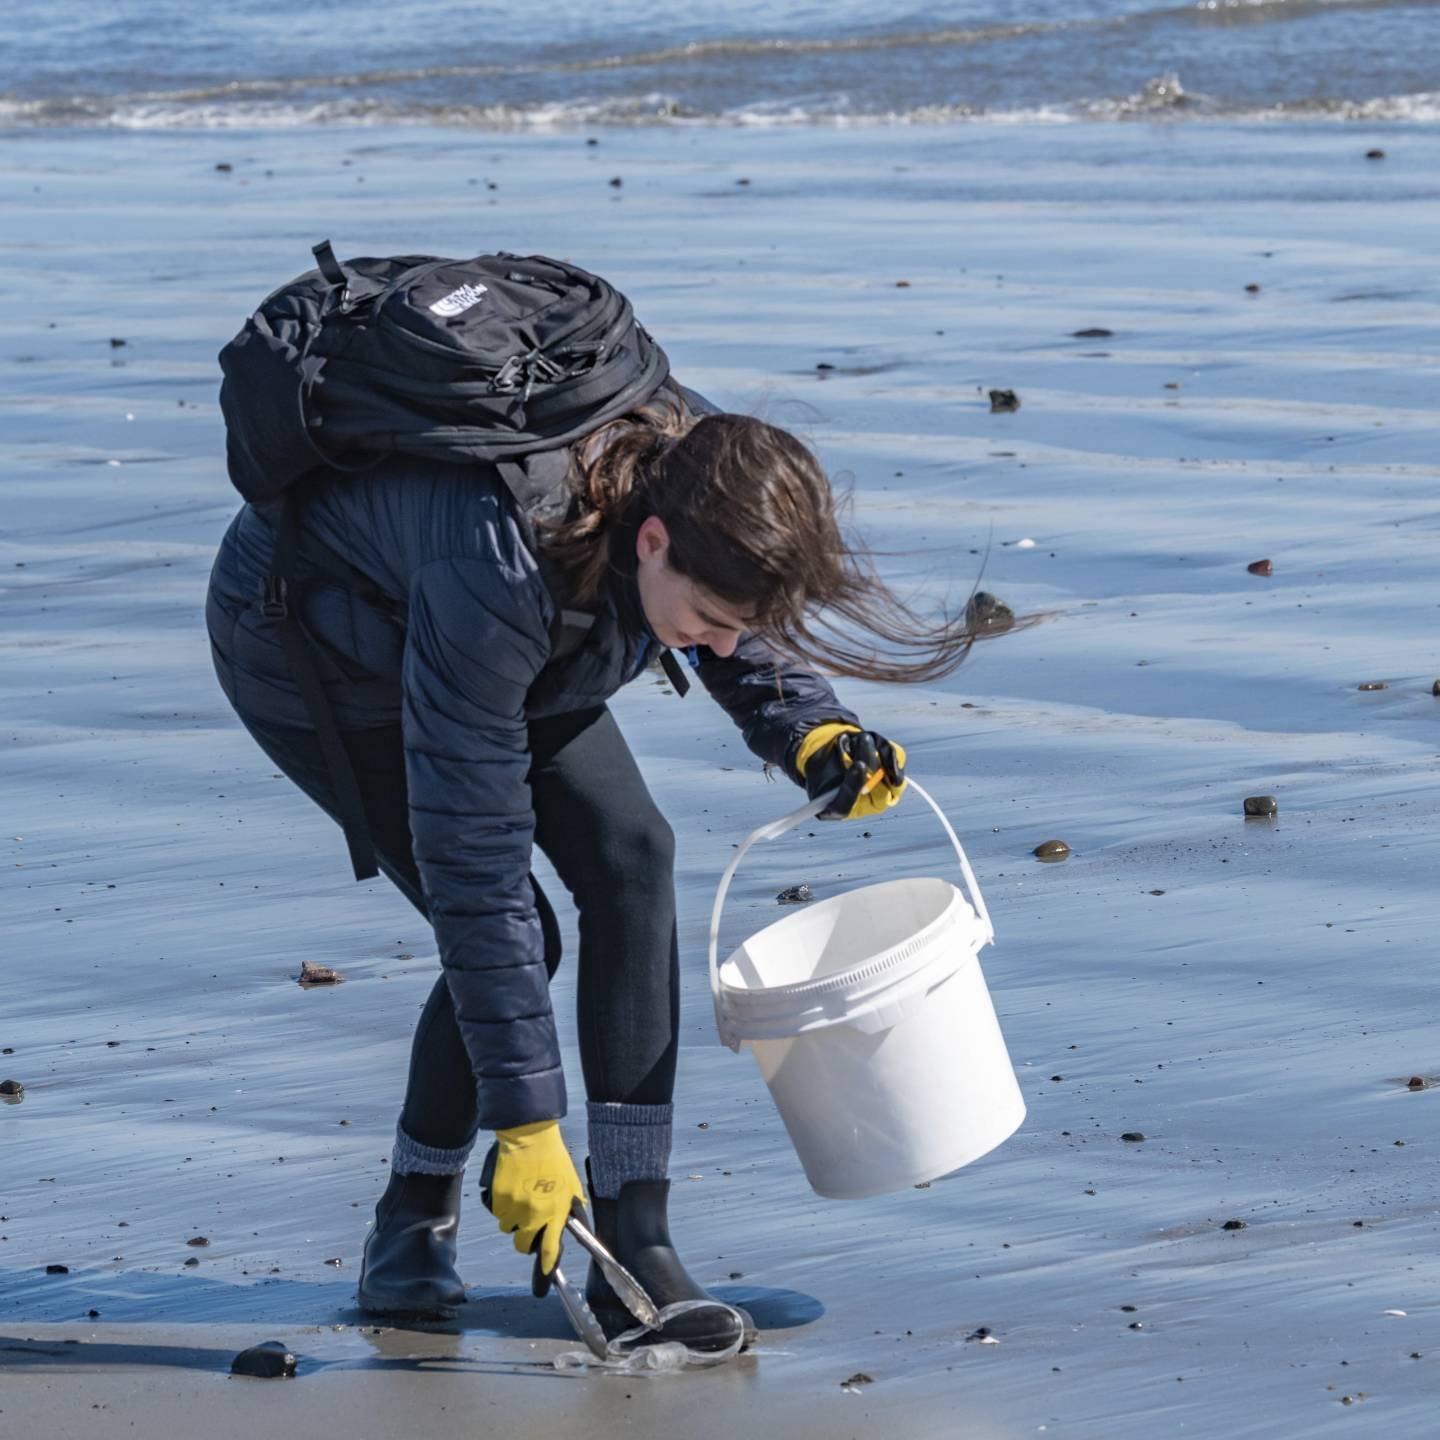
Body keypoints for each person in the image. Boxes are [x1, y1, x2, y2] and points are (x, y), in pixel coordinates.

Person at [206, 371, 976, 1353]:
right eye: (708, 619)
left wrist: (813, 731)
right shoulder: (498, 565)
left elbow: (732, 609)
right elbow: (473, 864)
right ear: (650, 543)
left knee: (633, 853)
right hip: (319, 648)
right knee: (518, 925)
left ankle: (636, 1242)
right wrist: (528, 1120)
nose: (724, 644)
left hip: (526, 620)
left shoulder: (695, 469)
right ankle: (412, 1218)